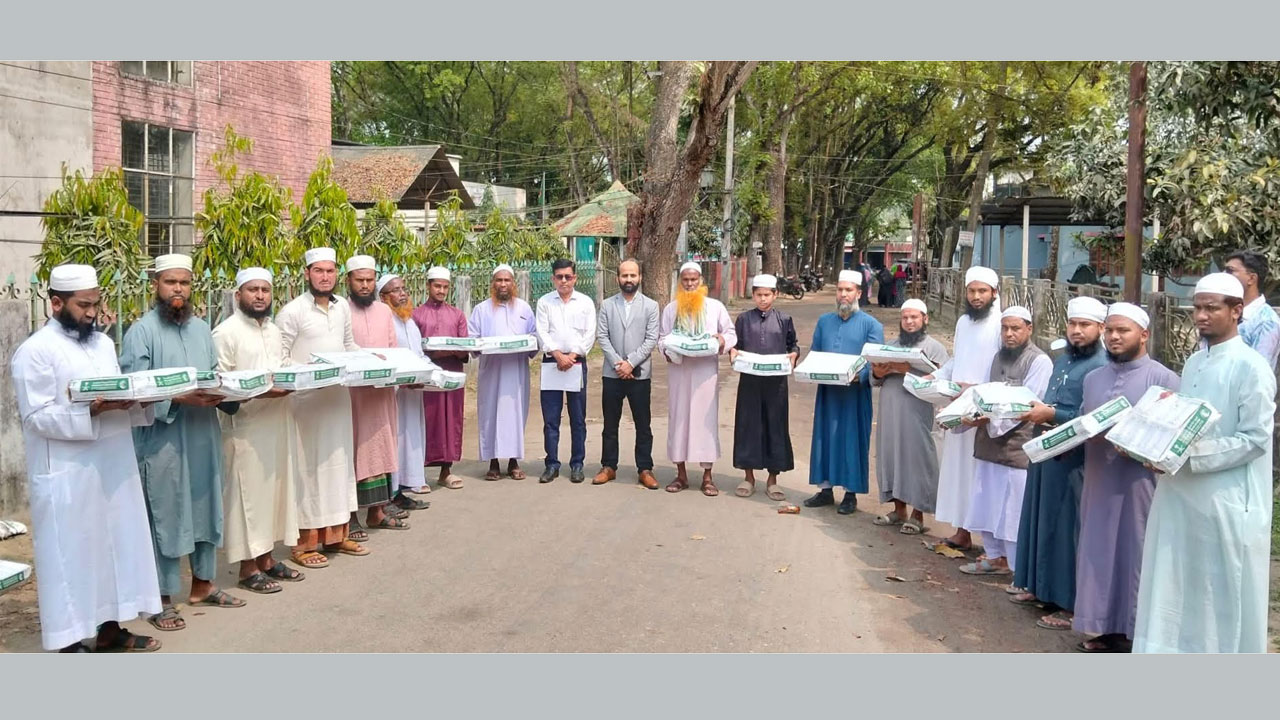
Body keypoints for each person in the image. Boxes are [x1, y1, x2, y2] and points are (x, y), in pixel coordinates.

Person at [10, 264, 162, 652]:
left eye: (96, 303)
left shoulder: (103, 344)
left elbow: (116, 395)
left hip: (113, 465)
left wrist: (137, 401)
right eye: (83, 305)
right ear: (56, 303)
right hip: (67, 472)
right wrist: (88, 411)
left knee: (114, 547)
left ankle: (110, 630)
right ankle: (68, 640)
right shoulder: (35, 352)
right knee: (71, 554)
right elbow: (37, 416)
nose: (93, 312)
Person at [1134, 273, 1276, 653]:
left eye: (1212, 308)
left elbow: (1255, 439)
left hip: (1225, 504)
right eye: (1197, 307)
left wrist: (1186, 457)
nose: (1201, 315)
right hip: (1178, 496)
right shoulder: (1195, 362)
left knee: (1216, 599)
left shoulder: (1252, 367)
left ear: (1237, 310)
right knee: (1173, 587)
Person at [120, 253, 237, 632]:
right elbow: (132, 390)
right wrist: (177, 398)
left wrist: (225, 391)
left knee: (205, 508)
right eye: (171, 282)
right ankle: (162, 597)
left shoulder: (203, 329)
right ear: (156, 285)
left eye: (184, 283)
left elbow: (212, 374)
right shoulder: (141, 331)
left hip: (203, 433)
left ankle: (204, 584)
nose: (178, 290)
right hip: (163, 440)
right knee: (166, 514)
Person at [1072, 302, 1179, 653]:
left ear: (1144, 334)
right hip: (1099, 480)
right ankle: (1103, 628)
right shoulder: (1092, 378)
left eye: (1124, 330)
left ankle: (1137, 634)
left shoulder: (1163, 379)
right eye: (1110, 330)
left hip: (1140, 485)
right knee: (1098, 554)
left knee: (1136, 556)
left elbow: (1171, 438)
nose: (1114, 337)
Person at [1010, 297, 1108, 629]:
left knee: (1068, 529)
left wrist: (1051, 414)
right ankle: (1040, 588)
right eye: (1073, 324)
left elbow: (1091, 418)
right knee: (1041, 520)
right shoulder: (1064, 359)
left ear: (1101, 329)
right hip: (1046, 451)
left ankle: (1069, 604)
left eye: (1085, 325)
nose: (1077, 331)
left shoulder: (1101, 367)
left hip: (1075, 459)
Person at [211, 267, 304, 597]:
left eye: (265, 289)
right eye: (253, 290)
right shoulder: (225, 332)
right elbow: (218, 387)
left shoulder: (274, 330)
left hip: (277, 420)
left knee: (274, 495)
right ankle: (247, 568)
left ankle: (266, 559)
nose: (260, 295)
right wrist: (260, 393)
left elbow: (281, 365)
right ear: (238, 295)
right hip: (245, 429)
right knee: (248, 500)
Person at [277, 247, 364, 565]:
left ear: (336, 274)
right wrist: (311, 375)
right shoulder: (292, 311)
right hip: (307, 406)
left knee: (339, 469)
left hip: (337, 401)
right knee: (309, 471)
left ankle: (336, 536)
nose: (325, 276)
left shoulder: (342, 308)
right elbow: (280, 357)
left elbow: (349, 345)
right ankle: (304, 544)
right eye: (318, 271)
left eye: (330, 271)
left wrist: (372, 359)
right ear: (307, 274)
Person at [956, 305, 1052, 577]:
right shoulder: (998, 357)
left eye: (1016, 329)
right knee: (986, 503)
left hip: (1015, 449)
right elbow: (987, 393)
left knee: (1012, 513)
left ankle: (1018, 568)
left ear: (1029, 329)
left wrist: (988, 420)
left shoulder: (1039, 361)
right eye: (1005, 328)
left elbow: (1028, 405)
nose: (1009, 334)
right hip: (988, 445)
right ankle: (995, 557)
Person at [927, 266, 1003, 552]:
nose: (976, 297)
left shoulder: (1000, 324)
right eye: (972, 291)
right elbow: (956, 361)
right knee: (958, 471)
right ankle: (962, 532)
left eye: (982, 291)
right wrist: (934, 378)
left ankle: (993, 545)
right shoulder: (962, 322)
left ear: (994, 293)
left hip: (985, 411)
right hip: (957, 407)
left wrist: (974, 389)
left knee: (981, 475)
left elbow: (1002, 369)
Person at [806, 269, 884, 514]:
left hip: (855, 395)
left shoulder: (872, 325)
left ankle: (851, 494)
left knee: (852, 440)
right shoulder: (824, 321)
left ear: (858, 293)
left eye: (848, 290)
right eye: (840, 290)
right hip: (828, 394)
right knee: (825, 437)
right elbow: (815, 354)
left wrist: (856, 376)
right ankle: (825, 490)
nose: (843, 295)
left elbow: (874, 361)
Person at [870, 298, 950, 534]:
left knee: (918, 460)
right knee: (891, 457)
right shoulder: (891, 344)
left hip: (918, 413)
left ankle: (918, 515)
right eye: (905, 318)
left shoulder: (935, 347)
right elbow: (874, 380)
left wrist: (911, 369)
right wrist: (878, 371)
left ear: (925, 319)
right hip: (890, 411)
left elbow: (943, 378)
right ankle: (899, 510)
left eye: (914, 317)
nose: (909, 322)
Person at [658, 261, 737, 496]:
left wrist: (720, 340)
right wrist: (667, 351)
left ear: (701, 281)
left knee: (705, 421)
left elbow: (731, 333)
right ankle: (680, 474)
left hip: (705, 374)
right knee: (679, 420)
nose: (690, 284)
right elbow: (662, 338)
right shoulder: (671, 309)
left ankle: (707, 476)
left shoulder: (715, 307)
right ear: (680, 282)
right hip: (679, 373)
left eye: (694, 280)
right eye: (686, 280)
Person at [344, 255, 409, 537]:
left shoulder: (384, 312)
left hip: (382, 395)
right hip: (352, 398)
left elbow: (394, 350)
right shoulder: (340, 310)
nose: (365, 285)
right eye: (360, 280)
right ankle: (350, 518)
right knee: (353, 452)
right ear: (348, 281)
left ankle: (376, 512)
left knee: (382, 448)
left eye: (370, 280)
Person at [729, 274, 798, 500]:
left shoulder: (784, 319)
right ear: (753, 295)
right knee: (748, 426)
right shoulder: (744, 319)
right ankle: (748, 477)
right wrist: (733, 352)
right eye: (759, 295)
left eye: (767, 295)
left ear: (775, 295)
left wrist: (794, 354)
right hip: (749, 383)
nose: (763, 299)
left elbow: (793, 345)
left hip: (776, 384)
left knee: (775, 426)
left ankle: (772, 479)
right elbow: (735, 344)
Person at [594, 258, 660, 488]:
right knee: (610, 424)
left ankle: (645, 468)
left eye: (633, 275)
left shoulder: (651, 306)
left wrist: (630, 363)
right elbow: (602, 336)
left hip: (639, 374)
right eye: (624, 275)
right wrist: (618, 364)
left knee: (643, 424)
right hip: (612, 374)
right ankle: (608, 466)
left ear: (640, 277)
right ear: (617, 278)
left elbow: (652, 338)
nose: (629, 279)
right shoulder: (607, 304)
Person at [469, 264, 538, 481]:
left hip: (516, 372)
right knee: (490, 414)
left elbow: (534, 337)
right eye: (499, 280)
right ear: (493, 284)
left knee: (516, 414)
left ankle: (514, 461)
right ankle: (493, 462)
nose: (503, 284)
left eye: (507, 280)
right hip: (491, 372)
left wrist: (528, 344)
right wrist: (482, 345)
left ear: (513, 283)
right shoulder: (481, 310)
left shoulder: (524, 309)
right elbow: (473, 340)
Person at [535, 258, 597, 484]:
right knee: (551, 418)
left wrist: (571, 356)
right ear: (553, 278)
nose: (563, 281)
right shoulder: (544, 302)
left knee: (577, 417)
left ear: (575, 278)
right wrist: (558, 355)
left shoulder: (585, 302)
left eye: (568, 276)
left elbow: (590, 334)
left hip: (576, 363)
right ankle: (551, 464)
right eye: (559, 276)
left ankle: (577, 464)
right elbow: (542, 331)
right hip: (552, 362)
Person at [378, 273, 433, 511]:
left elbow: (419, 355)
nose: (402, 294)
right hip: (393, 394)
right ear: (383, 297)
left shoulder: (409, 321)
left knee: (410, 440)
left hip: (413, 393)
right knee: (393, 442)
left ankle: (402, 490)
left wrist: (431, 373)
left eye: (404, 289)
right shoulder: (383, 322)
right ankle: (388, 494)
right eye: (396, 290)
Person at [412, 266, 468, 490]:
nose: (441, 290)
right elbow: (415, 348)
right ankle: (418, 474)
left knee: (451, 420)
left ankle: (446, 471)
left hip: (452, 374)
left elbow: (465, 348)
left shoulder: (457, 314)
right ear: (428, 286)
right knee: (426, 419)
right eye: (437, 286)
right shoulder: (416, 315)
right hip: (427, 375)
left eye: (445, 287)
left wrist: (450, 350)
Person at [1222, 250, 1279, 371]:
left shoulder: (1266, 322)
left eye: (1230, 271)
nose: (1223, 275)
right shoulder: (1223, 313)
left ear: (1251, 279)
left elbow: (1257, 373)